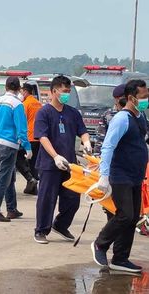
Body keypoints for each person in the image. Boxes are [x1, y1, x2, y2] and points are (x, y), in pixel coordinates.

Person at [91, 79, 148, 273]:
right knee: (124, 215)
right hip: (120, 174)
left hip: (135, 174)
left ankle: (120, 258)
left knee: (134, 218)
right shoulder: (121, 119)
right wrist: (103, 177)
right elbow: (108, 146)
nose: (147, 99)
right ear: (131, 98)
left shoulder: (141, 116)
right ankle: (100, 244)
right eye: (144, 97)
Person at [33, 75, 90, 244]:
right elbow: (42, 137)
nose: (67, 94)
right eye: (64, 91)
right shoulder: (44, 112)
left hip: (70, 164)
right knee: (47, 198)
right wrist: (55, 156)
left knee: (73, 198)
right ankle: (41, 230)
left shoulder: (72, 113)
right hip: (50, 164)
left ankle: (61, 225)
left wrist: (86, 142)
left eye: (68, 91)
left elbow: (83, 130)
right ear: (53, 91)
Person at [0, 77, 32, 222]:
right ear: (19, 88)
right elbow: (21, 129)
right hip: (9, 145)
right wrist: (28, 147)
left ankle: (12, 209)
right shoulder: (17, 104)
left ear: (5, 87)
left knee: (9, 176)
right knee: (4, 179)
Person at [19, 83, 43, 194]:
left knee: (18, 159)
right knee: (34, 162)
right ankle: (34, 188)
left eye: (21, 91)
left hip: (28, 137)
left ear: (25, 91)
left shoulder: (25, 104)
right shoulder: (38, 104)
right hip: (38, 137)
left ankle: (30, 180)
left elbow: (22, 121)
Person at [93, 84, 127, 156]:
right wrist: (97, 155)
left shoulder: (136, 113)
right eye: (124, 97)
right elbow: (101, 137)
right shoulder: (108, 115)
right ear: (117, 99)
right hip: (113, 155)